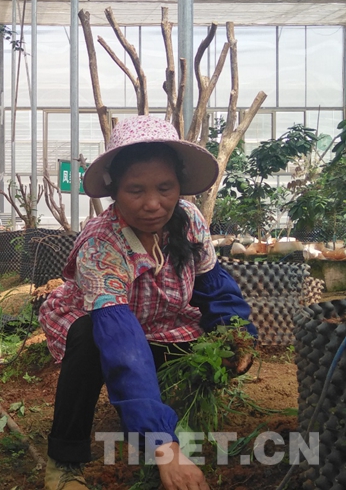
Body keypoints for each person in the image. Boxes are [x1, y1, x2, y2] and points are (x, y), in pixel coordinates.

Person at [38, 116, 257, 490]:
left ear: (179, 185)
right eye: (136, 190)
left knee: (217, 345)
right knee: (88, 338)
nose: (153, 204)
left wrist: (237, 336)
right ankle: (65, 460)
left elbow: (214, 287)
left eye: (165, 188)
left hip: (165, 322)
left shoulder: (189, 221)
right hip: (108, 325)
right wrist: (163, 447)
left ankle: (164, 417)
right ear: (114, 190)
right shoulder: (101, 244)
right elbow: (121, 342)